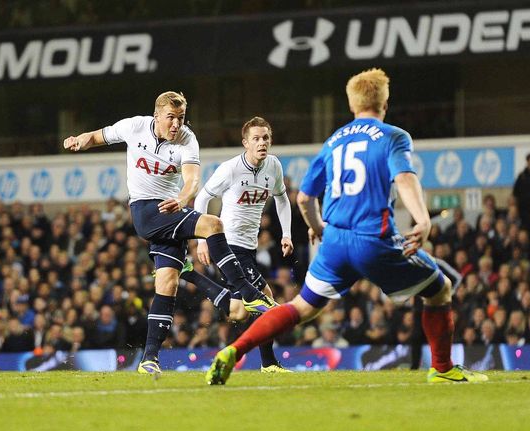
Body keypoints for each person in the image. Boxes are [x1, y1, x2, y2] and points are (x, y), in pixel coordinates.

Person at [207, 68, 488, 385]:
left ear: (353, 105)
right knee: (440, 289)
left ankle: (233, 350)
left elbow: (304, 199)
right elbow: (405, 178)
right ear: (384, 103)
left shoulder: (333, 142)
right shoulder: (394, 136)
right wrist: (423, 219)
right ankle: (443, 368)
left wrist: (317, 226)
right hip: (373, 240)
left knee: (299, 307)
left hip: (335, 242)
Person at [62, 91, 276, 376]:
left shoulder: (187, 139)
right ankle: (249, 294)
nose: (176, 124)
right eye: (171, 118)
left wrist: (185, 198)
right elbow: (98, 136)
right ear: (156, 117)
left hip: (172, 208)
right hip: (146, 211)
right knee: (212, 225)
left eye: (181, 118)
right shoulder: (134, 127)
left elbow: (192, 179)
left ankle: (148, 358)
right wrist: (79, 140)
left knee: (167, 283)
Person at [192, 116, 294, 373]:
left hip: (249, 246)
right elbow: (202, 199)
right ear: (245, 143)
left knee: (238, 311)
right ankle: (269, 363)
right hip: (228, 244)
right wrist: (202, 240)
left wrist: (287, 234)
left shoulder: (273, 166)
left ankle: (189, 275)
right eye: (256, 139)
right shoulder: (231, 169)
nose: (262, 143)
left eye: (266, 138)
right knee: (266, 299)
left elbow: (282, 199)